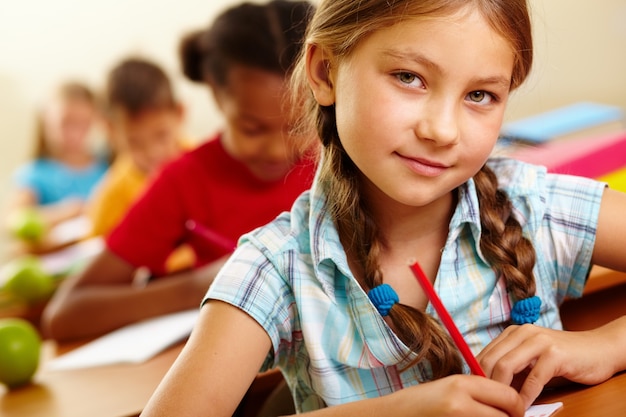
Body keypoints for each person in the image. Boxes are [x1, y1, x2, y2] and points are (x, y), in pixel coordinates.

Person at [139, 0, 626, 416]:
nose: (442, 130)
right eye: (409, 77)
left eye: (480, 95)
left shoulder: (532, 205)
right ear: (325, 71)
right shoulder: (279, 266)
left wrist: (603, 347)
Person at [41, 0, 317, 342]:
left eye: (298, 125)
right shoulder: (185, 180)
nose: (278, 150)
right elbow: (64, 315)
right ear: (217, 95)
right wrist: (198, 287)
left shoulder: (343, 158)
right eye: (252, 128)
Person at [86, 57, 195, 270]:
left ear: (180, 113)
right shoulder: (111, 197)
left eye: (162, 135)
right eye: (134, 142)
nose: (153, 152)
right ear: (110, 130)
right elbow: (98, 263)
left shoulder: (207, 164)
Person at [6, 81, 108, 251]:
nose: (74, 133)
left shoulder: (107, 167)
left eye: (83, 123)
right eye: (66, 123)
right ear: (46, 121)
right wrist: (67, 212)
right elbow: (13, 220)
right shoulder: (35, 173)